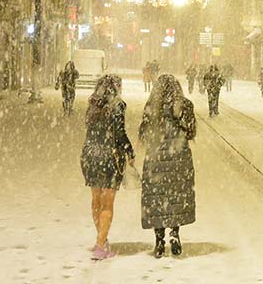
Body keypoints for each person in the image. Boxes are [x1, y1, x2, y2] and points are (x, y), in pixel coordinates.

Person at [140, 74, 197, 258]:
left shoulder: (151, 107)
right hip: (178, 157)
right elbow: (191, 132)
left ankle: (159, 240)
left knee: (157, 197)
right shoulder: (185, 105)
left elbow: (144, 133)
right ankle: (174, 233)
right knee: (175, 196)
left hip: (156, 157)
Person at [80, 75, 134, 260]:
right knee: (107, 204)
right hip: (108, 156)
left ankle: (101, 239)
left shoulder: (92, 105)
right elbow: (119, 133)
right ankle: (100, 245)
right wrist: (129, 151)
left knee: (96, 200)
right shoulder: (118, 106)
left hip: (89, 155)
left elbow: (91, 130)